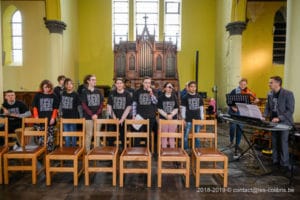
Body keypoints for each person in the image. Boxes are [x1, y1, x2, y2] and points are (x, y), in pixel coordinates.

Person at [264, 76, 294, 172]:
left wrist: (279, 118)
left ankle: (284, 164)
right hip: (273, 122)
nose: (269, 84)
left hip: (284, 122)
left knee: (283, 142)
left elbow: (290, 110)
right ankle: (275, 160)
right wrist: (264, 116)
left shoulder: (288, 94)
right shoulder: (270, 94)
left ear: (278, 83)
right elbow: (267, 108)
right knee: (275, 141)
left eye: (271, 83)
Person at [227, 78, 259, 150]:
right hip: (234, 112)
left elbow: (251, 102)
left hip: (242, 113)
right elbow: (229, 101)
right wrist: (232, 107)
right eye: (241, 84)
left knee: (240, 129)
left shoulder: (249, 92)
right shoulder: (234, 91)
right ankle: (231, 141)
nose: (243, 85)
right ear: (239, 83)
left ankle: (237, 144)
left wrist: (255, 101)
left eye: (244, 84)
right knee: (232, 128)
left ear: (246, 84)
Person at [32, 80, 59, 152]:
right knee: (41, 138)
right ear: (42, 87)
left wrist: (53, 118)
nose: (47, 89)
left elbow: (55, 108)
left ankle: (49, 153)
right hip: (40, 120)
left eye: (49, 87)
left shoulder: (53, 96)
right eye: (45, 87)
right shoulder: (37, 95)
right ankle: (41, 153)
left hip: (50, 120)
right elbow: (34, 107)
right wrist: (36, 117)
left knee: (50, 138)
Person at [132, 76, 158, 150]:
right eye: (146, 82)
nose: (147, 84)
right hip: (140, 116)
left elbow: (155, 102)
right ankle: (136, 150)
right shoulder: (137, 92)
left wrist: (151, 93)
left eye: (149, 83)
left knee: (148, 134)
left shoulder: (154, 91)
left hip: (150, 116)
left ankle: (147, 150)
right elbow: (134, 104)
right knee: (138, 134)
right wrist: (134, 115)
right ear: (143, 83)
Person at [107, 78, 132, 149]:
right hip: (113, 118)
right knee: (111, 136)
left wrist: (122, 119)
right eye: (117, 83)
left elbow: (128, 107)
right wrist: (115, 119)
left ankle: (123, 151)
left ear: (123, 84)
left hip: (124, 119)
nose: (119, 85)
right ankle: (111, 152)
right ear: (115, 84)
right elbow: (109, 106)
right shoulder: (112, 93)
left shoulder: (127, 94)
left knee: (123, 136)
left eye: (120, 83)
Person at [80, 74, 104, 152]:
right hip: (88, 116)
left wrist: (96, 114)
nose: (95, 81)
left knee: (97, 134)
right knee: (89, 134)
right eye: (93, 80)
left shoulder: (99, 91)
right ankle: (87, 152)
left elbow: (101, 104)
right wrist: (91, 114)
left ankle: (96, 152)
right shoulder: (84, 92)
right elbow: (84, 105)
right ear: (88, 81)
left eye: (95, 80)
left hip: (98, 116)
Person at [181, 81, 204, 151]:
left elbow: (201, 108)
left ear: (196, 88)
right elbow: (183, 109)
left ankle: (196, 150)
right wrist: (183, 118)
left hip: (197, 119)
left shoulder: (199, 97)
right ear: (188, 87)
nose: (193, 88)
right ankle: (186, 150)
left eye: (194, 87)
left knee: (197, 136)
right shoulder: (185, 97)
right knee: (186, 136)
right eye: (191, 86)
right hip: (188, 119)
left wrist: (202, 119)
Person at [60, 78, 81, 147]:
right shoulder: (63, 93)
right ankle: (67, 149)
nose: (69, 85)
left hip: (73, 117)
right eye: (67, 84)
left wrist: (81, 116)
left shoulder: (76, 94)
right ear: (65, 85)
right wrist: (60, 114)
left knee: (73, 134)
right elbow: (61, 105)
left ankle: (74, 148)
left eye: (70, 84)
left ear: (72, 85)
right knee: (66, 134)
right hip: (65, 117)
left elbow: (79, 106)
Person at [157, 82, 179, 148]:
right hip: (163, 119)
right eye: (168, 87)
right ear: (165, 88)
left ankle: (172, 151)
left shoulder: (174, 97)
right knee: (164, 136)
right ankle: (164, 151)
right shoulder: (161, 97)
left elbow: (176, 108)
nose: (170, 88)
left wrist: (171, 114)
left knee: (172, 135)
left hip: (173, 118)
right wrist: (166, 115)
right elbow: (159, 109)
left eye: (171, 87)